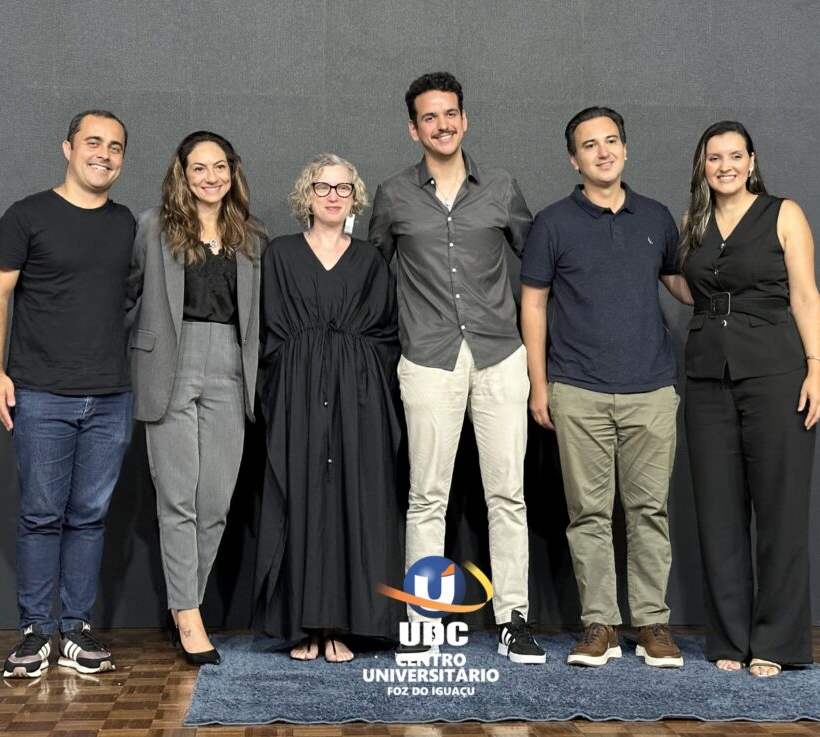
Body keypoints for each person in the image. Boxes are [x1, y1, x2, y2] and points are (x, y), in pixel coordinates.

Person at [368, 71, 545, 665]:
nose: (442, 125)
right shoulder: (393, 195)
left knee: (508, 495)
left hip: (500, 355)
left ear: (464, 120)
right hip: (428, 358)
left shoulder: (500, 187)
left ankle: (514, 618)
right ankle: (424, 621)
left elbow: (541, 261)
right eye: (429, 117)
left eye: (451, 114)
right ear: (413, 127)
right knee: (427, 497)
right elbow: (369, 277)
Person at [521, 107, 692, 669]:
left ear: (625, 149)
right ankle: (600, 625)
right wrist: (539, 385)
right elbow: (534, 304)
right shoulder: (552, 223)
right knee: (588, 514)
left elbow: (683, 286)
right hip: (578, 388)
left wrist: (722, 245)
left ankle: (653, 625)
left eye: (611, 141)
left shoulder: (658, 217)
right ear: (574, 158)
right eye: (590, 145)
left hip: (651, 388)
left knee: (650, 511)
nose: (603, 151)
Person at [0, 110, 135, 678]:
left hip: (112, 396)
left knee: (90, 517)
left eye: (116, 147)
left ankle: (75, 629)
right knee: (42, 515)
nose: (104, 153)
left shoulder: (126, 225)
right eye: (93, 142)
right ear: (67, 146)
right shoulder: (27, 216)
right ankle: (34, 633)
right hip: (41, 393)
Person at [679, 120, 820, 677]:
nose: (725, 166)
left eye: (734, 156)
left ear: (752, 160)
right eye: (714, 158)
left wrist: (816, 370)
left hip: (776, 373)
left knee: (780, 511)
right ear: (702, 166)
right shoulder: (692, 222)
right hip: (707, 377)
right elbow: (685, 281)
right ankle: (729, 640)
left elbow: (807, 295)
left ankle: (777, 642)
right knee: (718, 514)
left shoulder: (784, 214)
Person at [256, 154, 403, 663]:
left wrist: (355, 378)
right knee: (301, 499)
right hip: (297, 392)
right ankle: (305, 625)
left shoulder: (369, 259)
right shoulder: (280, 254)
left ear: (355, 198)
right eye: (323, 187)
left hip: (358, 396)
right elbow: (269, 331)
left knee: (349, 502)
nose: (334, 196)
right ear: (307, 195)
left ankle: (340, 624)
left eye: (344, 188)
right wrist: (293, 379)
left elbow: (387, 333)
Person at [126, 131, 265, 666]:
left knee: (215, 504)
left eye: (221, 167)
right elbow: (128, 296)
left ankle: (187, 601)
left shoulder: (251, 236)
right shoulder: (152, 227)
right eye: (200, 168)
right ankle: (189, 615)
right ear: (181, 174)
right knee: (178, 499)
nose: (211, 177)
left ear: (233, 172)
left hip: (231, 369)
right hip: (171, 366)